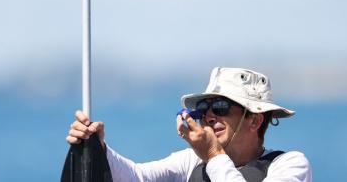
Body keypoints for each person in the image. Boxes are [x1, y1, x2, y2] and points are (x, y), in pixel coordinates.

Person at [66, 67, 312, 181]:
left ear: (255, 120)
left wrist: (214, 155)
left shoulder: (289, 165)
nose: (209, 116)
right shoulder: (192, 162)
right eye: (204, 108)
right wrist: (100, 149)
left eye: (222, 108)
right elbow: (136, 177)